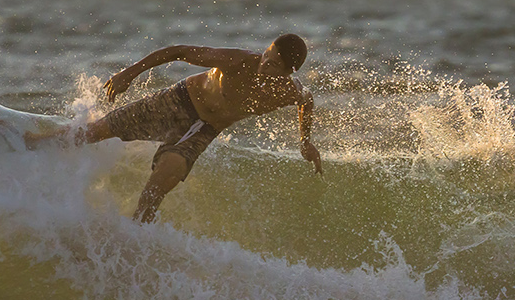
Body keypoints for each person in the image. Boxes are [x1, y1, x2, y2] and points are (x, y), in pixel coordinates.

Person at [27, 33, 321, 221]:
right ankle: (31, 144)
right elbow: (178, 51)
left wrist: (305, 142)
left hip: (203, 129)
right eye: (266, 55)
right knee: (96, 132)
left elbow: (306, 102)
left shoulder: (289, 91)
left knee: (165, 179)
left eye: (273, 65)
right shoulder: (238, 61)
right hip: (177, 101)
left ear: (288, 72)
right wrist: (128, 74)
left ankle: (135, 234)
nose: (263, 65)